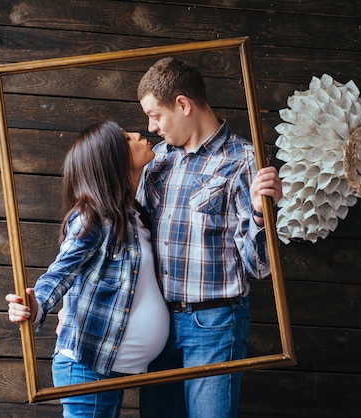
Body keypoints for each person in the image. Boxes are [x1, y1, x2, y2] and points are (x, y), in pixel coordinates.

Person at [136, 57, 283, 418]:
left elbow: (260, 268)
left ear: (183, 105)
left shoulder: (245, 161)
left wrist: (264, 214)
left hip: (214, 324)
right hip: (155, 324)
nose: (151, 128)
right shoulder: (157, 164)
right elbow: (131, 240)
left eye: (156, 115)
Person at [5, 120, 169, 418]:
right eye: (125, 138)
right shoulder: (92, 218)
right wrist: (34, 305)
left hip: (114, 369)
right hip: (87, 367)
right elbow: (60, 272)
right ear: (112, 159)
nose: (137, 134)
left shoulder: (135, 215)